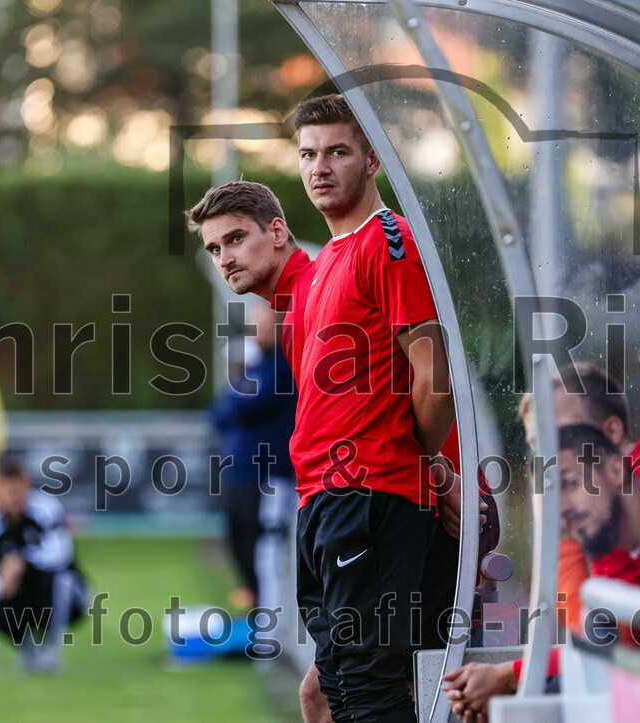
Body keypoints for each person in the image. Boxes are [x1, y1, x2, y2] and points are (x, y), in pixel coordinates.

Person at [188, 90, 458, 719]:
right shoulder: (330, 261)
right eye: (308, 153)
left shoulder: (386, 240)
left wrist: (432, 466)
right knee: (325, 692)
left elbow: (435, 376)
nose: (319, 167)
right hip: (330, 500)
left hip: (367, 495)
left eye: (338, 151)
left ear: (373, 161)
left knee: (368, 696)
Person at [443, 364, 640, 718]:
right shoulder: (615, 501)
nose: (550, 463)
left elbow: (614, 645)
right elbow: (597, 631)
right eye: (538, 446)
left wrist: (509, 676)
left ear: (611, 433)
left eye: (562, 436)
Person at [209, 305, 297, 613]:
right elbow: (219, 414)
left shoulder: (282, 365)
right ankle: (259, 613)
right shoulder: (252, 367)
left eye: (260, 324)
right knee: (239, 541)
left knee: (268, 550)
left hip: (270, 476)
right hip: (241, 475)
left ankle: (270, 635)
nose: (254, 330)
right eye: (252, 324)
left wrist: (237, 398)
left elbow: (243, 405)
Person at [0, 457, 88, 673]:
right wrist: (2, 585)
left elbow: (60, 555)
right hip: (20, 593)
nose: (14, 498)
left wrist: (20, 561)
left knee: (62, 581)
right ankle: (29, 650)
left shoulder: (46, 509)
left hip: (59, 592)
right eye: (8, 491)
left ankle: (52, 650)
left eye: (19, 491)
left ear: (27, 488)